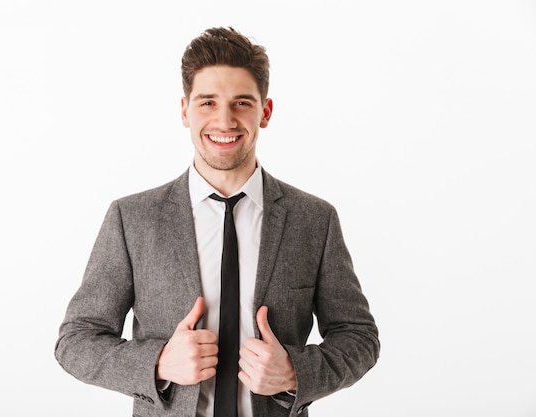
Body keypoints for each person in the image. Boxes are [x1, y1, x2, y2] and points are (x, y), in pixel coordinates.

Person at [55, 27, 379, 417]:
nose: (224, 121)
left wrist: (294, 372)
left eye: (241, 102)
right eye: (207, 102)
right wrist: (158, 363)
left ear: (266, 111)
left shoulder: (314, 220)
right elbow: (76, 341)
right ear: (184, 110)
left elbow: (359, 337)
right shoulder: (132, 219)